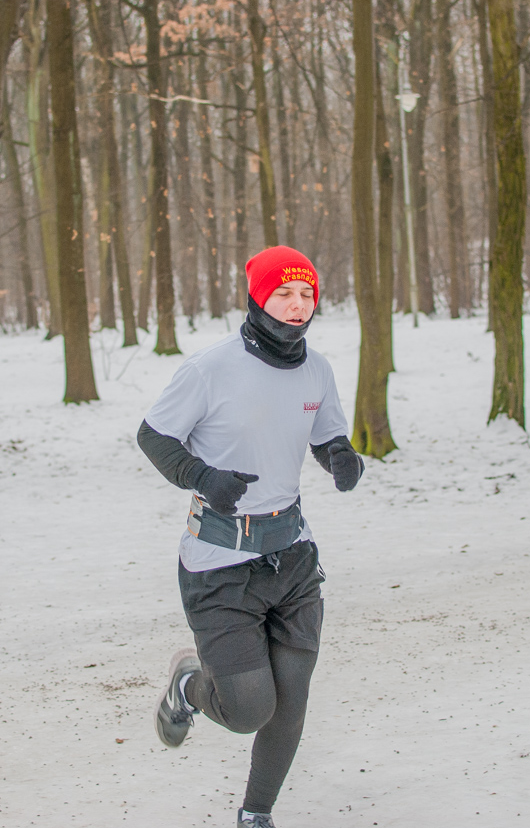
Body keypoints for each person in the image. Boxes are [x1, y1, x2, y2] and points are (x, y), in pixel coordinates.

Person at [138, 246, 365, 828]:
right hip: (219, 563)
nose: (296, 306)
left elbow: (326, 433)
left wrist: (341, 457)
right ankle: (189, 683)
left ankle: (255, 814)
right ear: (257, 297)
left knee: (290, 701)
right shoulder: (210, 369)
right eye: (283, 294)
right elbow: (154, 437)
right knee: (248, 710)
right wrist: (202, 477)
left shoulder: (318, 369)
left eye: (306, 294)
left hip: (291, 556)